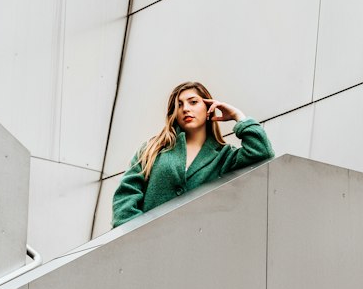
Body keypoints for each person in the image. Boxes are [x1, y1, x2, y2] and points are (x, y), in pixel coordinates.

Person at [111, 79, 274, 227]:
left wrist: (239, 117)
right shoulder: (153, 149)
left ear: (209, 107)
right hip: (145, 247)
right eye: (179, 105)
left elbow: (262, 152)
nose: (185, 109)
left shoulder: (224, 156)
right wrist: (137, 235)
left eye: (193, 102)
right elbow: (125, 196)